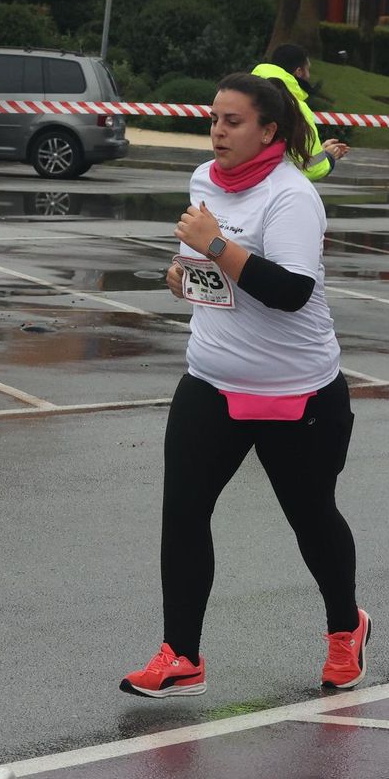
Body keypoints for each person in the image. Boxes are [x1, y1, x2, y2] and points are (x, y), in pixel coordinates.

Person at [120, 71, 368, 699]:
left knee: (311, 521)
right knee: (183, 513)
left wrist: (215, 244)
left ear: (270, 131)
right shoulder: (205, 180)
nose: (218, 131)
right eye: (214, 119)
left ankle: (347, 628)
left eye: (233, 122)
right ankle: (182, 656)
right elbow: (201, 267)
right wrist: (180, 273)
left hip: (299, 393)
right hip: (211, 379)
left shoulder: (292, 196)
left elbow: (290, 292)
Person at [251, 44, 349, 181]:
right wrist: (328, 156)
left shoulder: (245, 95)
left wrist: (320, 151)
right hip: (276, 192)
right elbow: (312, 168)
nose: (309, 75)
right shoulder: (296, 108)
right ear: (298, 72)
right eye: (307, 69)